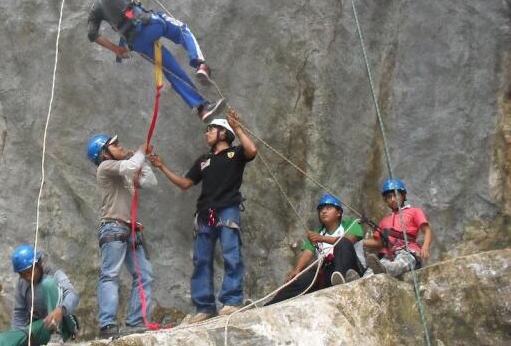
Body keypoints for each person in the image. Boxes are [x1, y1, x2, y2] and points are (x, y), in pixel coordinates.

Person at [148, 108, 257, 323]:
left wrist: (237, 127)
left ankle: (232, 300)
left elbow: (252, 150)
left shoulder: (235, 154)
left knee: (231, 254)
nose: (206, 133)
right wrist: (162, 167)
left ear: (223, 134)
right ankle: (205, 306)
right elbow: (185, 183)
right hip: (205, 212)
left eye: (211, 129)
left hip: (227, 208)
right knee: (201, 260)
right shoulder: (203, 160)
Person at [87, 0, 225, 122]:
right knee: (182, 30)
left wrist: (116, 49)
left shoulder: (96, 7)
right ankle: (201, 65)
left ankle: (202, 109)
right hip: (149, 24)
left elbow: (92, 34)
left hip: (137, 43)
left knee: (172, 72)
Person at [86, 133, 158, 339]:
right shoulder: (105, 168)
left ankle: (135, 321)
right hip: (114, 227)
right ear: (104, 153)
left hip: (129, 229)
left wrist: (139, 158)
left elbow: (150, 181)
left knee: (145, 275)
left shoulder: (124, 172)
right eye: (114, 145)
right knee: (110, 274)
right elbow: (129, 166)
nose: (119, 146)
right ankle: (107, 324)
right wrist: (139, 153)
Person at [265, 194, 365, 305]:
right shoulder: (317, 233)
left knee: (342, 243)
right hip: (329, 272)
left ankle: (341, 279)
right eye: (321, 209)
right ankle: (268, 305)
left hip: (351, 269)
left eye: (328, 208)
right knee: (304, 278)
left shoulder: (351, 224)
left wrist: (322, 239)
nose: (324, 212)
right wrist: (297, 271)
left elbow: (348, 240)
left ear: (339, 212)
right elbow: (307, 253)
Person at [0, 245, 79, 346]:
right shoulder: (22, 284)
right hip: (42, 327)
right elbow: (19, 312)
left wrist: (61, 309)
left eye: (30, 272)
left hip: (64, 325)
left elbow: (73, 295)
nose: (28, 277)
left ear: (39, 264)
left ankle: (57, 336)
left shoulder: (54, 274)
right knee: (1, 340)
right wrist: (18, 337)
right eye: (23, 274)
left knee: (48, 284)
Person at [363, 178, 433, 277]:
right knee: (371, 270)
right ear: (385, 200)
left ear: (403, 195)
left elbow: (427, 230)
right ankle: (357, 281)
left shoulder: (414, 211)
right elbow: (378, 242)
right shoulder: (384, 221)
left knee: (399, 264)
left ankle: (384, 271)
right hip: (390, 255)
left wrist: (425, 248)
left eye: (395, 195)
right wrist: (361, 242)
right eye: (389, 197)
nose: (392, 199)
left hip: (409, 252)